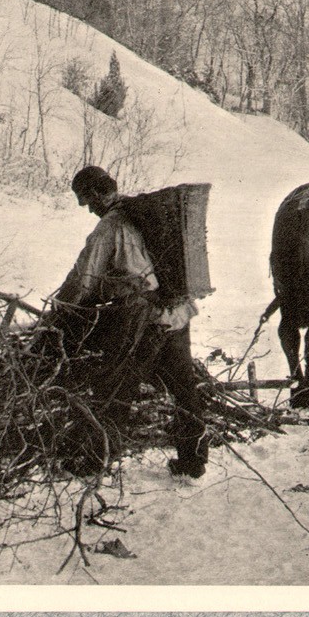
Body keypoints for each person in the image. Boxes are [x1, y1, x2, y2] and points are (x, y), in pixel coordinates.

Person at [45, 165, 208, 479]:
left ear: (96, 193)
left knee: (115, 386)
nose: (88, 208)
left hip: (143, 322)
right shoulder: (143, 214)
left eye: (87, 201)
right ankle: (193, 460)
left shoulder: (110, 228)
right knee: (183, 387)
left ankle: (95, 461)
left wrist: (59, 311)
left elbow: (83, 281)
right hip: (177, 313)